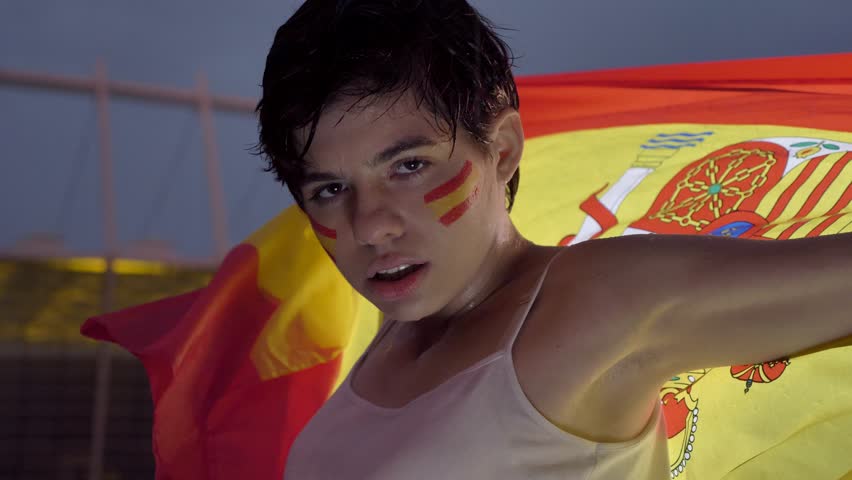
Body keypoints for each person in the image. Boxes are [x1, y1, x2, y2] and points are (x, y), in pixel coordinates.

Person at [255, 1, 852, 478]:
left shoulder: (592, 304)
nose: (370, 225)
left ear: (504, 148)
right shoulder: (390, 334)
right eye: (330, 189)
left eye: (409, 166)